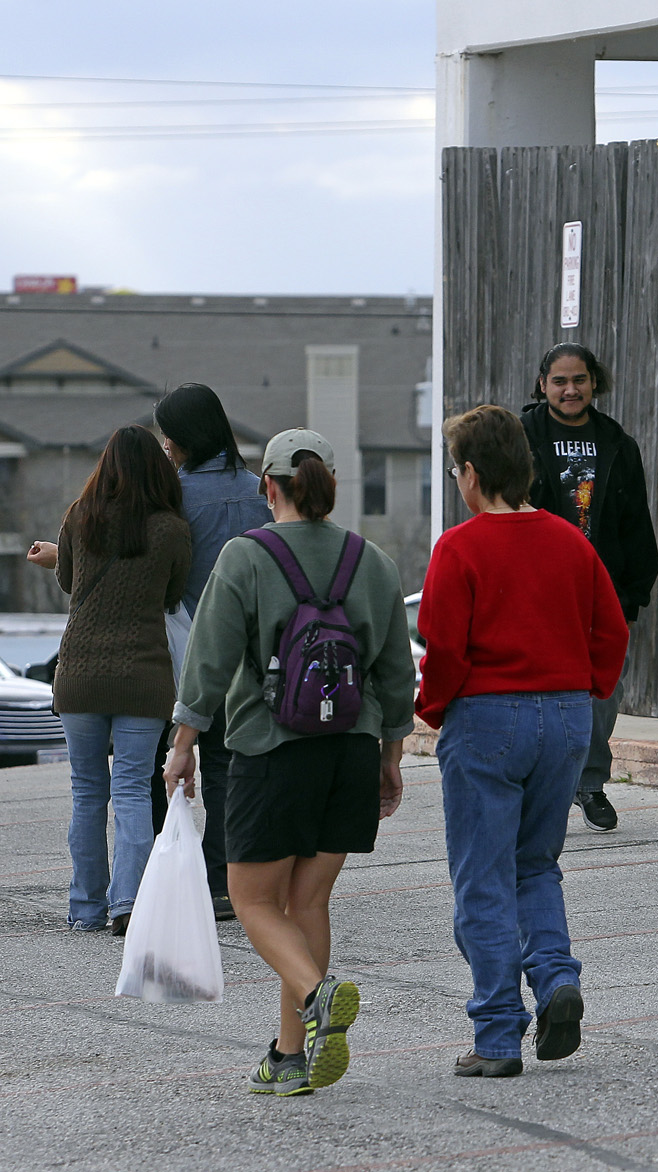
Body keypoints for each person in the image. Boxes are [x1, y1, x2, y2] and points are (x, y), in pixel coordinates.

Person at [165, 429, 416, 1096]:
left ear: (267, 488)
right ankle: (290, 1056)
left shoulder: (245, 557)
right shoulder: (375, 562)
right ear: (331, 483)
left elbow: (209, 661)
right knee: (307, 902)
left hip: (273, 751)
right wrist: (391, 757)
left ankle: (316, 993)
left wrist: (184, 744)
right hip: (353, 751)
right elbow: (397, 676)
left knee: (251, 901)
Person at [418, 406, 628, 1077]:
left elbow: (443, 646)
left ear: (473, 474)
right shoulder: (571, 541)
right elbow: (612, 630)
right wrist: (586, 687)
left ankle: (497, 1035)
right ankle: (556, 975)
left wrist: (430, 708)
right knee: (536, 863)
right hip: (567, 715)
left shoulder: (459, 546)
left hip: (487, 719)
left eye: (456, 470)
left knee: (481, 878)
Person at [48, 425, 191, 935]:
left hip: (80, 673)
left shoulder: (79, 516)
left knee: (87, 791)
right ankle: (127, 904)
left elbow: (68, 581)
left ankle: (85, 907)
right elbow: (174, 593)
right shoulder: (172, 528)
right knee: (133, 787)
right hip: (142, 675)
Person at [521, 342, 658, 834]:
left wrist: (635, 593)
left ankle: (590, 783)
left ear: (593, 382)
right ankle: (541, 785)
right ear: (543, 385)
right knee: (539, 692)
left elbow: (636, 524)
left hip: (603, 592)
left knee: (601, 694)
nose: (570, 389)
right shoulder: (521, 437)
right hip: (536, 591)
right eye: (559, 380)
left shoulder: (617, 443)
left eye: (578, 379)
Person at [156, 382, 272, 921]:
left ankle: (163, 875)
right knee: (230, 767)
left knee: (166, 763)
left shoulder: (169, 496)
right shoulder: (260, 491)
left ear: (182, 439)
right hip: (254, 651)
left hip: (185, 647)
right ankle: (225, 880)